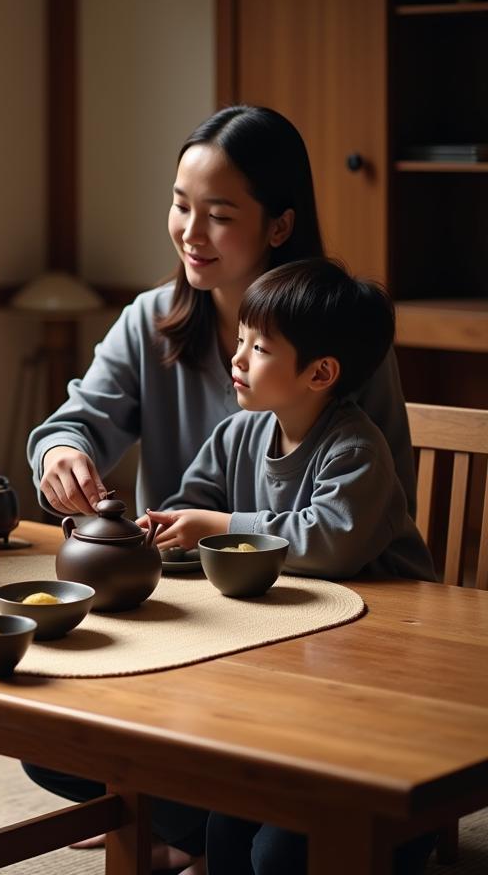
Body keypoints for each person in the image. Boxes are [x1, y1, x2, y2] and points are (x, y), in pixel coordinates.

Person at [23, 105, 418, 874]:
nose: (189, 233)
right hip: (214, 629)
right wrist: (63, 455)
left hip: (334, 630)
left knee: (263, 829)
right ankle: (205, 825)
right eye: (180, 205)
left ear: (279, 226)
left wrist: (220, 526)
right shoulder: (153, 323)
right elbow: (76, 421)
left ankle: (213, 826)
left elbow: (356, 521)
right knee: (52, 736)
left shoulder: (337, 343)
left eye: (219, 215)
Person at [145, 258, 434, 874]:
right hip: (294, 649)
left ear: (320, 373)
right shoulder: (239, 435)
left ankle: (399, 835)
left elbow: (328, 543)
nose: (238, 358)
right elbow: (192, 505)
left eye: (259, 348)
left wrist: (217, 527)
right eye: (241, 341)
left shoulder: (356, 448)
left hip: (380, 668)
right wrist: (166, 529)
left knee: (281, 854)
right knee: (226, 820)